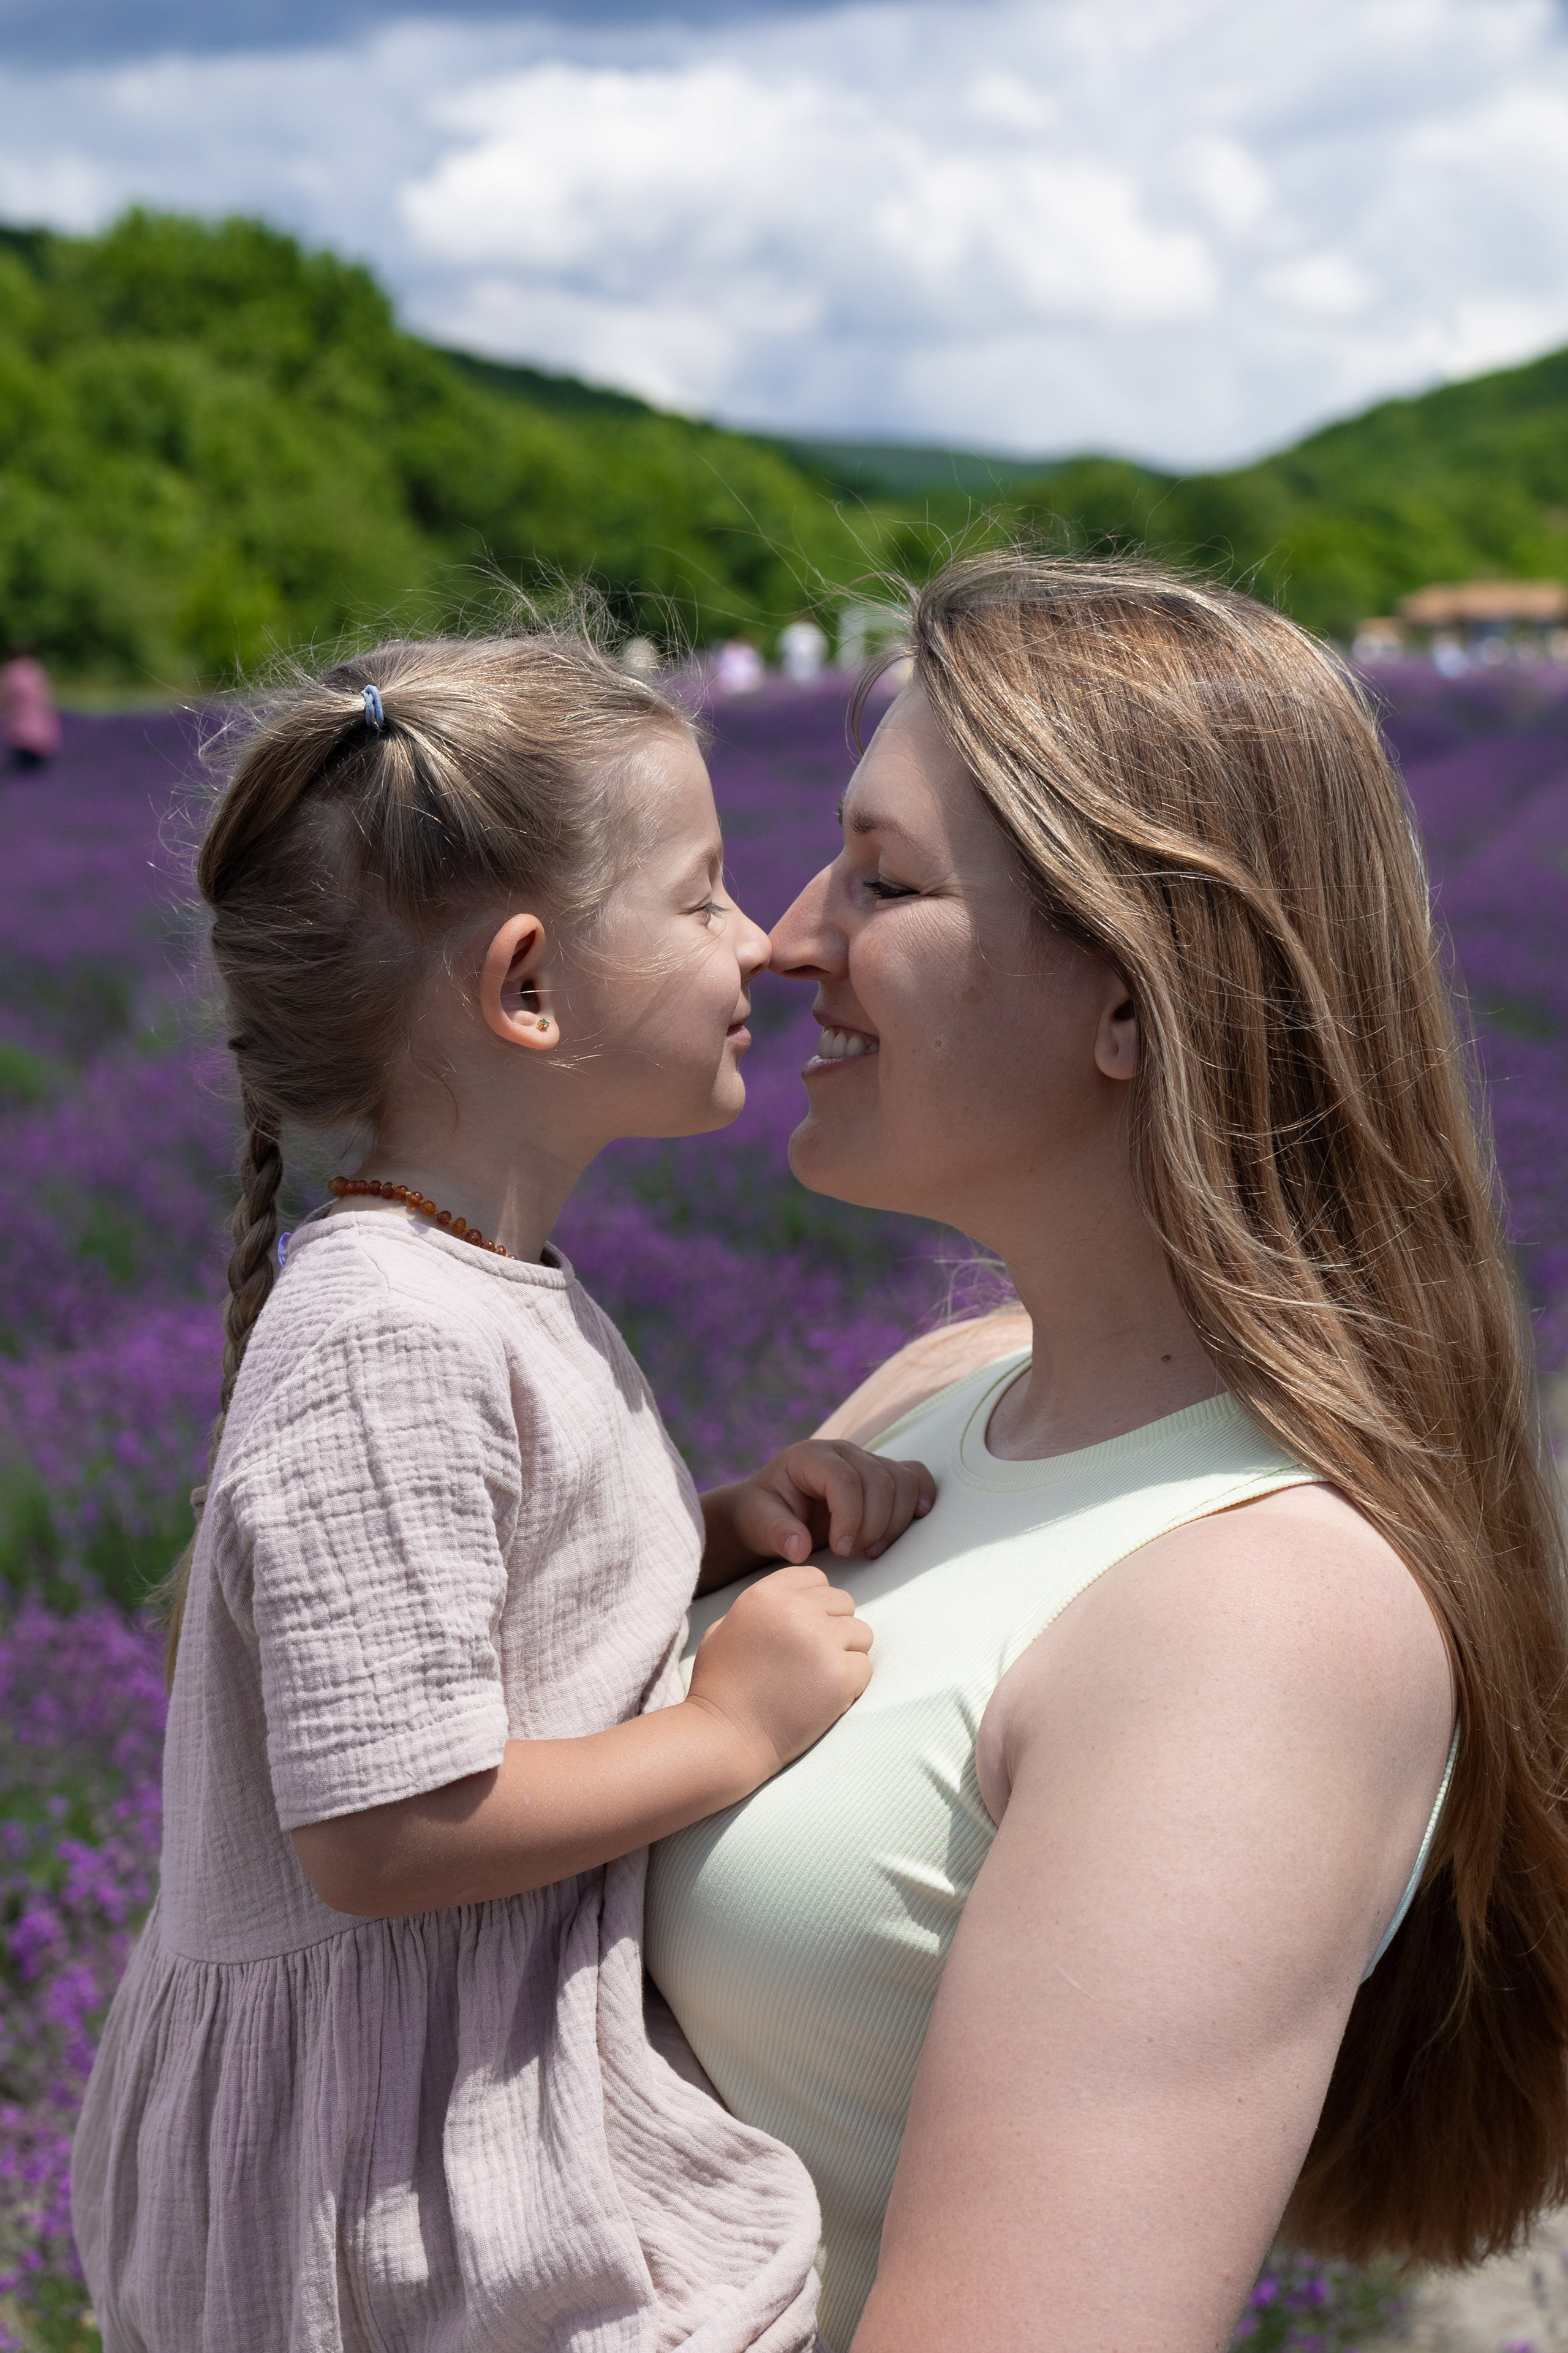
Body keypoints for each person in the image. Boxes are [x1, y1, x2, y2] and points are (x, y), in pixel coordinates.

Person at [646, 553, 1568, 2351]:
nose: (780, 936)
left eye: (883, 878)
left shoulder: (1260, 1620)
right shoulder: (938, 1391)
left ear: (1136, 996)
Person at [71, 627, 938, 2353]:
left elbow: (502, 1593)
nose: (759, 940)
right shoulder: (387, 1334)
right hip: (377, 2191)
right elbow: (384, 1831)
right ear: (527, 988)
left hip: (442, 2116)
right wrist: (732, 1731)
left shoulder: (475, 1283)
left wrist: (717, 1526)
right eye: (698, 897)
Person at [1, 644, 60, 771]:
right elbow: (48, 696)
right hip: (41, 730)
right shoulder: (36, 669)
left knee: (21, 769)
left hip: (20, 730)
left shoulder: (10, 671)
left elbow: (4, 699)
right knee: (37, 770)